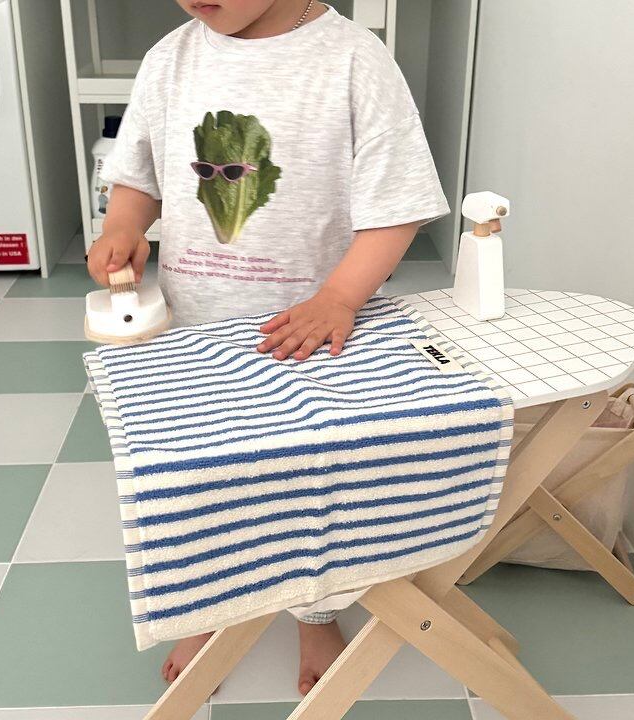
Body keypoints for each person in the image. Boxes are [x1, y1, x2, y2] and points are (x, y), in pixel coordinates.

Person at [86, 0, 449, 696]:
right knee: (203, 479)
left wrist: (339, 298)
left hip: (310, 339)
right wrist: (124, 226)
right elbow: (139, 177)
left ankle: (315, 612)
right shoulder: (170, 59)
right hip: (195, 334)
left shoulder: (355, 60)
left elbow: (397, 208)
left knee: (315, 484)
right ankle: (208, 607)